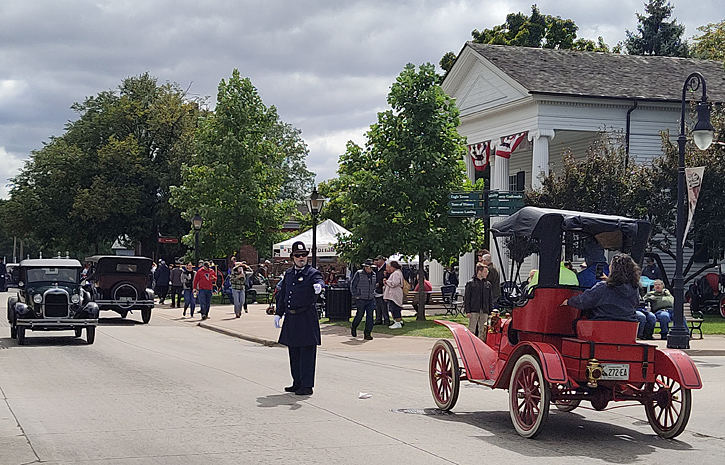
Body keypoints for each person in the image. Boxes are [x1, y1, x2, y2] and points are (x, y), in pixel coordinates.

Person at [274, 241, 325, 396]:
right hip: (292, 317)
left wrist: (320, 287)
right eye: (298, 255)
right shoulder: (289, 274)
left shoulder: (311, 273)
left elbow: (319, 281)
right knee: (294, 352)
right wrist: (279, 313)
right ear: (292, 257)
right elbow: (283, 295)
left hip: (306, 316)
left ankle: (307, 385)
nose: (301, 258)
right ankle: (297, 382)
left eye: (304, 255)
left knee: (307, 353)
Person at [562, 253, 640, 322]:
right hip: (628, 325)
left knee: (576, 322)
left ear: (613, 269)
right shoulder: (634, 288)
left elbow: (584, 301)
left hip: (603, 324)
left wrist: (569, 301)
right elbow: (635, 303)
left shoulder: (603, 287)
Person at [465, 262, 493, 341]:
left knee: (483, 330)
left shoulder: (487, 284)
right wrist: (468, 311)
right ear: (479, 272)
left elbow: (489, 298)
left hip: (484, 310)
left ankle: (481, 345)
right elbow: (467, 298)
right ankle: (471, 343)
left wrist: (490, 311)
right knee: (472, 329)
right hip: (474, 309)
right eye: (485, 272)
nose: (486, 274)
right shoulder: (470, 283)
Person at [350, 259, 376, 340]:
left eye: (371, 267)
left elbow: (374, 285)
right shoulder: (359, 273)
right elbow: (353, 285)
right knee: (359, 315)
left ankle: (367, 333)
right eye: (368, 267)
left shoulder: (374, 275)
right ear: (365, 267)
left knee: (370, 317)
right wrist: (356, 295)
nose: (370, 269)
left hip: (370, 298)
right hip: (361, 298)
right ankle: (354, 326)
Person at [383, 260, 405, 329]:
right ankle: (398, 321)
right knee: (395, 307)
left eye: (389, 267)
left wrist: (387, 281)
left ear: (393, 267)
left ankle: (397, 322)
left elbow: (394, 283)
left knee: (395, 308)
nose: (388, 269)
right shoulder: (398, 273)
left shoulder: (396, 273)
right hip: (395, 293)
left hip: (394, 294)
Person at [373, 255, 390, 325]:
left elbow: (386, 277)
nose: (376, 262)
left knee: (384, 306)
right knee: (377, 306)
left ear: (382, 260)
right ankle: (378, 319)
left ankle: (386, 319)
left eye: (377, 260)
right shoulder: (376, 269)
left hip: (383, 290)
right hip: (377, 290)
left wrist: (380, 284)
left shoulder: (386, 268)